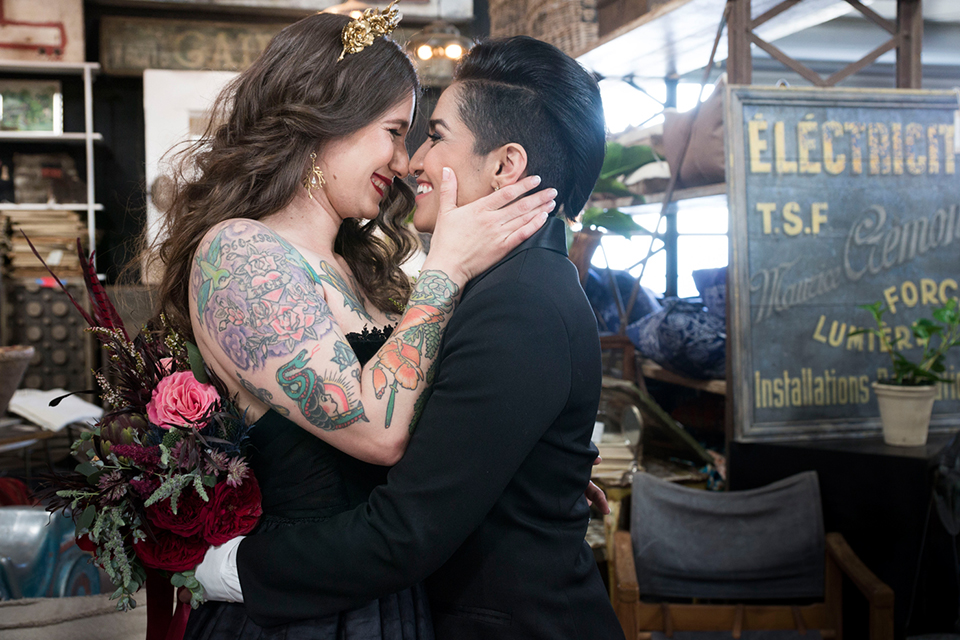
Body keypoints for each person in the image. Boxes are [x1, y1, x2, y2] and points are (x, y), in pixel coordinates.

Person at [196, 36, 625, 640]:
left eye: (424, 135)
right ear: (327, 124)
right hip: (312, 605)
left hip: (394, 597)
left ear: (506, 164)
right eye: (396, 131)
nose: (407, 161)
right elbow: (382, 426)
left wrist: (510, 465)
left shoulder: (484, 290)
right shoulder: (243, 252)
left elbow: (411, 431)